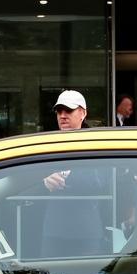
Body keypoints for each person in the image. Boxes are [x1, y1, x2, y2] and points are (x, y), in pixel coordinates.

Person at [42, 91, 107, 256]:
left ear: (83, 113)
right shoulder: (46, 145)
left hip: (85, 233)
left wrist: (67, 177)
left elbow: (100, 183)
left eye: (68, 110)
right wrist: (44, 180)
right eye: (59, 111)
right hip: (53, 231)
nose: (62, 116)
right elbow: (25, 182)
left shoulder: (96, 144)